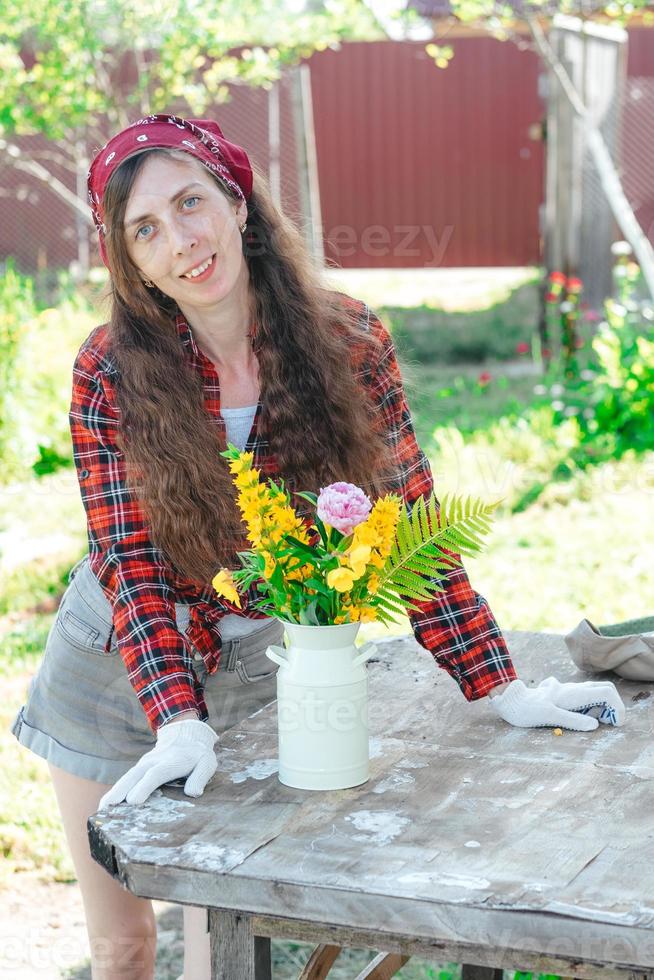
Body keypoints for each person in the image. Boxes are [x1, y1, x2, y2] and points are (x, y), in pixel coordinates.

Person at [11, 113, 625, 980]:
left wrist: (498, 684)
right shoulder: (107, 370)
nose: (181, 241)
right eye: (144, 229)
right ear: (129, 261)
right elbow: (128, 559)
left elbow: (407, 524)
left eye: (191, 203)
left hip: (267, 668)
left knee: (216, 945)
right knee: (121, 948)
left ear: (237, 201)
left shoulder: (348, 340)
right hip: (115, 663)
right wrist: (176, 719)